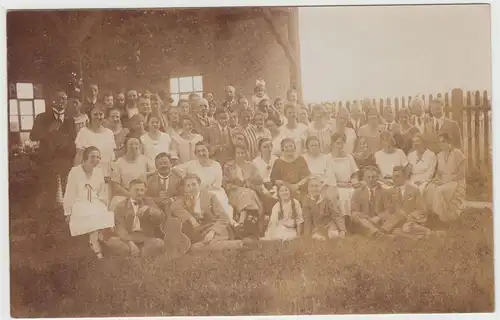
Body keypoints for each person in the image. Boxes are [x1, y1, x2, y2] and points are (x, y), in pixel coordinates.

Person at [30, 90, 76, 220]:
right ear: (52, 100)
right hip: (47, 163)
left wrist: (65, 144)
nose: (62, 101)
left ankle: (63, 224)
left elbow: (74, 139)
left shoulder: (69, 119)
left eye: (65, 99)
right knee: (49, 196)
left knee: (65, 194)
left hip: (64, 162)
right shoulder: (42, 117)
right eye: (60, 98)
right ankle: (48, 225)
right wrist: (48, 130)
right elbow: (33, 136)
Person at [63, 147, 114, 259]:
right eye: (92, 156)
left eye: (98, 157)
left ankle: (95, 241)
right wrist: (68, 211)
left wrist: (104, 203)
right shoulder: (75, 171)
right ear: (85, 158)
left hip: (94, 200)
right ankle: (95, 246)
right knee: (91, 215)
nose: (95, 159)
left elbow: (101, 191)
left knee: (103, 213)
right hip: (79, 201)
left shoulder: (99, 171)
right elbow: (70, 192)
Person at [173, 141, 235, 222]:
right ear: (195, 154)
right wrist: (185, 177)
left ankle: (230, 221)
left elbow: (217, 185)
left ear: (209, 151)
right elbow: (174, 169)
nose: (201, 153)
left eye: (203, 150)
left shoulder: (216, 165)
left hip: (214, 191)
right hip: (197, 193)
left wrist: (204, 190)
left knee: (218, 197)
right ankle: (231, 223)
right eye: (198, 151)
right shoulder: (191, 164)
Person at [169, 173, 235, 249]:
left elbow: (223, 217)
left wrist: (212, 232)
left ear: (199, 184)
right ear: (185, 188)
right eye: (188, 185)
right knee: (197, 248)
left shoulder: (210, 197)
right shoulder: (184, 199)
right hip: (200, 232)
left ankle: (239, 244)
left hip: (214, 228)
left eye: (194, 184)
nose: (191, 188)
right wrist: (191, 218)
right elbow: (174, 207)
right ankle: (213, 245)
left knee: (205, 246)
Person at [105, 179, 166, 257]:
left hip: (145, 237)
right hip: (128, 237)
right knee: (113, 242)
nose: (140, 193)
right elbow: (120, 228)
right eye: (136, 190)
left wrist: (150, 210)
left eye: (142, 190)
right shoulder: (121, 206)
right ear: (129, 191)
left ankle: (141, 254)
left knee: (159, 243)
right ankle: (133, 253)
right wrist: (130, 243)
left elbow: (160, 218)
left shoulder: (149, 202)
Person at [222, 144, 265, 239]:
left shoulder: (251, 166)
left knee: (248, 194)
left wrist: (249, 183)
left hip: (250, 191)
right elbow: (225, 184)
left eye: (242, 153)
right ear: (234, 154)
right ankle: (249, 227)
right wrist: (236, 185)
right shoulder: (228, 166)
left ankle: (242, 223)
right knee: (248, 194)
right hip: (233, 193)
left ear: (245, 154)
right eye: (238, 153)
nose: (240, 155)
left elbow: (259, 181)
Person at [423, 132, 465, 223]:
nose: (441, 144)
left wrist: (446, 180)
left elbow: (462, 173)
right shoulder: (439, 155)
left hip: (456, 181)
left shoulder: (457, 153)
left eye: (444, 141)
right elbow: (439, 173)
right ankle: (431, 215)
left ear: (449, 142)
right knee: (429, 188)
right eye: (439, 142)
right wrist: (436, 179)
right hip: (444, 180)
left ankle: (443, 218)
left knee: (439, 191)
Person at [109, 135, 155, 210]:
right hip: (125, 195)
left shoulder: (145, 160)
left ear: (140, 146)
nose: (134, 146)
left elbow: (153, 175)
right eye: (130, 144)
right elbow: (116, 186)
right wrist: (130, 195)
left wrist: (143, 191)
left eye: (136, 144)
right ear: (126, 146)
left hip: (142, 194)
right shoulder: (119, 163)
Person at [74, 105, 116, 178]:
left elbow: (112, 156)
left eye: (101, 114)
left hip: (107, 173)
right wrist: (76, 174)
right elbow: (79, 155)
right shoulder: (84, 132)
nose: (98, 117)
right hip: (89, 173)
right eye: (95, 114)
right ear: (90, 116)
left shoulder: (109, 133)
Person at [349, 166, 387, 237]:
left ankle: (375, 233)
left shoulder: (384, 192)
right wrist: (365, 217)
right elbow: (354, 211)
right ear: (364, 178)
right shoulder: (358, 192)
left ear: (377, 178)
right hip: (363, 221)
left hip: (377, 221)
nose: (371, 179)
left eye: (373, 177)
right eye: (368, 177)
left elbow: (388, 210)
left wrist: (378, 217)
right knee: (355, 216)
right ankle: (377, 233)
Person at [328, 132, 359, 216]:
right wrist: (341, 184)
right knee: (340, 195)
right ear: (332, 144)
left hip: (349, 185)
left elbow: (355, 173)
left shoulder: (349, 157)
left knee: (354, 193)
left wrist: (353, 181)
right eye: (337, 143)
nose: (340, 146)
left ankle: (352, 220)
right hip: (334, 187)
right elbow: (327, 179)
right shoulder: (328, 158)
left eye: (342, 143)